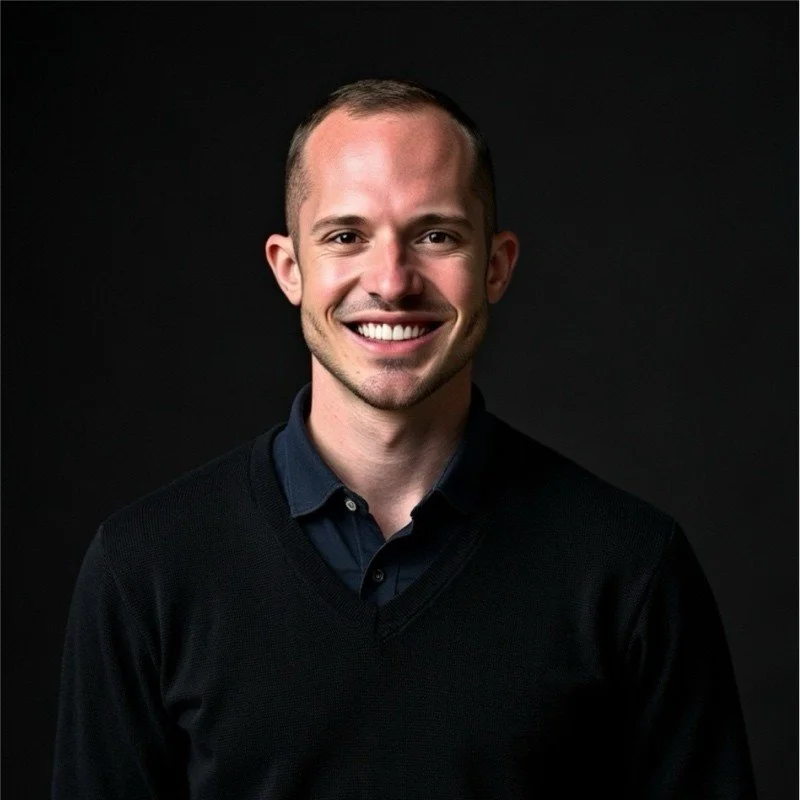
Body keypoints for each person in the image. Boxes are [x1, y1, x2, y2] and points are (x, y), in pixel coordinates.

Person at [52, 79, 757, 799]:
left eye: (436, 235)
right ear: (289, 268)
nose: (391, 282)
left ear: (496, 266)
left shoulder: (630, 568)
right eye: (346, 236)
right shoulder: (144, 570)